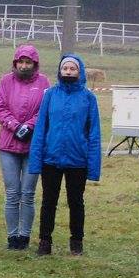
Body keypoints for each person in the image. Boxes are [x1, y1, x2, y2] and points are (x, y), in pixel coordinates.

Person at [28, 54, 102, 256]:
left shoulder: (89, 98)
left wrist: (93, 167)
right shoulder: (50, 95)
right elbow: (41, 128)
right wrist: (36, 161)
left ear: (80, 71)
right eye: (65, 68)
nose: (68, 72)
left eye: (72, 68)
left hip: (78, 160)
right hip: (51, 158)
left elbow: (94, 133)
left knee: (76, 202)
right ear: (60, 71)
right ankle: (45, 241)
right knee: (48, 201)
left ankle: (76, 241)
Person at [0, 45, 50, 250]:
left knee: (27, 193)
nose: (24, 66)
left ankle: (24, 236)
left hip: (33, 145)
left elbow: (45, 109)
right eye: (21, 62)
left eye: (28, 62)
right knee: (12, 192)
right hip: (8, 145)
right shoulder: (5, 81)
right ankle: (12, 236)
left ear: (34, 64)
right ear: (15, 63)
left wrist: (30, 126)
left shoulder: (44, 83)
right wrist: (15, 126)